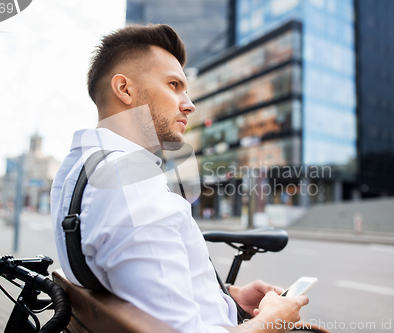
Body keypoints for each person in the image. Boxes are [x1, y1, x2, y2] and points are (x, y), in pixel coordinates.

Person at [51, 24, 309, 333]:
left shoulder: (77, 170)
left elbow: (138, 287)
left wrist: (227, 298)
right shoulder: (132, 185)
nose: (189, 103)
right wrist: (271, 321)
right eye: (174, 84)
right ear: (125, 89)